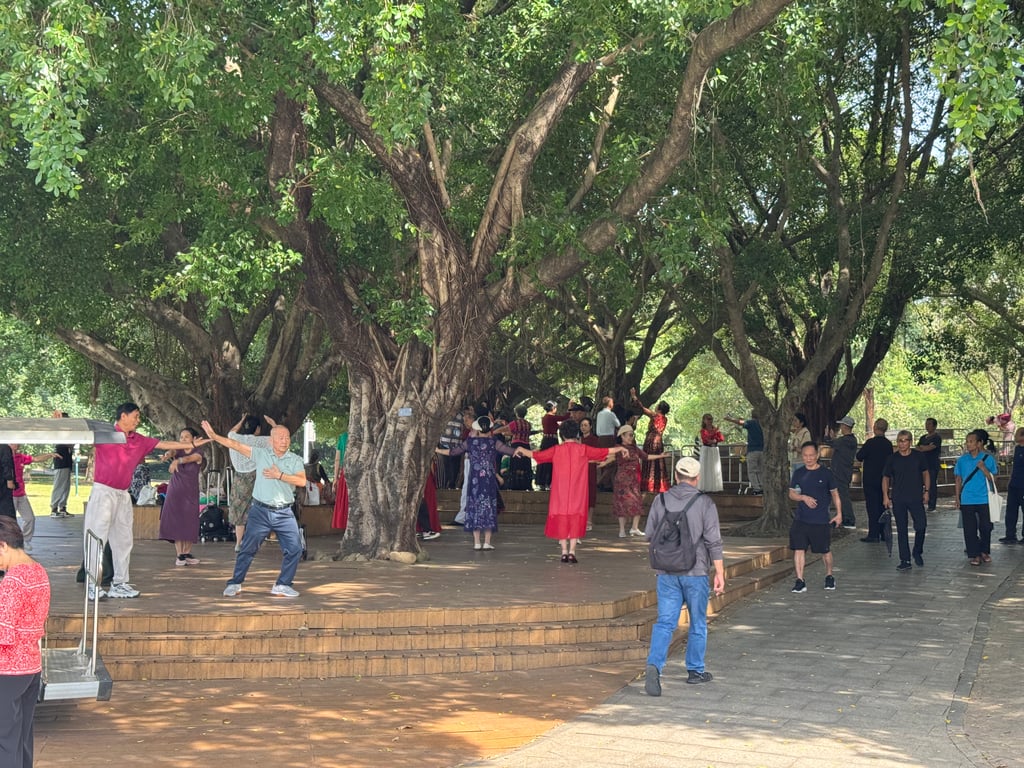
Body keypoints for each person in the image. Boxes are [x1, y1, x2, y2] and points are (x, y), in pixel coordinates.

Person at [85, 402, 205, 599]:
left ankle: (120, 583)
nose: (138, 420)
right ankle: (93, 585)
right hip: (103, 492)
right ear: (123, 416)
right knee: (97, 537)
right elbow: (79, 436)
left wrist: (191, 445)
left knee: (124, 540)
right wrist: (61, 423)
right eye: (136, 416)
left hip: (123, 494)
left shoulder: (138, 439)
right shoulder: (105, 433)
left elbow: (165, 444)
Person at [643, 456, 725, 695]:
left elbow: (649, 534)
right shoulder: (705, 502)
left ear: (676, 476)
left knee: (665, 622)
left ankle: (654, 665)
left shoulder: (660, 500)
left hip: (666, 571)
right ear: (696, 478)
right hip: (696, 571)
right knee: (697, 621)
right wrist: (719, 573)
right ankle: (695, 671)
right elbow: (714, 541)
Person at [201, 419, 306, 597]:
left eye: (287, 437)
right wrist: (214, 436)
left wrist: (279, 475)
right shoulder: (261, 454)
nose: (284, 440)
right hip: (261, 511)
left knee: (295, 549)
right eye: (280, 437)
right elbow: (235, 444)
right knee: (247, 548)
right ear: (270, 441)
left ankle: (283, 584)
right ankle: (235, 582)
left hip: (284, 512)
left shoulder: (295, 459)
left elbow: (301, 481)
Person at [516, 420, 623, 563]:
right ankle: (572, 551)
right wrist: (621, 448)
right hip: (578, 493)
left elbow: (538, 456)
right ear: (577, 433)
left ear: (562, 434)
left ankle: (564, 551)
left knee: (561, 518)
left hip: (560, 493)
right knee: (575, 519)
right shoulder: (584, 449)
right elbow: (604, 451)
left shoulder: (556, 450)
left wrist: (521, 450)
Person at [0, 515, 50, 768]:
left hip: (7, 670)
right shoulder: (38, 571)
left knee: (4, 742)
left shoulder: (12, 581)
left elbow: (3, 634)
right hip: (31, 667)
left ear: (3, 545)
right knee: (22, 739)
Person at [436, 416, 515, 551]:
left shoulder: (470, 442)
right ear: (490, 429)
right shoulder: (494, 442)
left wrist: (437, 450)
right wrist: (525, 453)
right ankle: (487, 542)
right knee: (488, 508)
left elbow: (453, 451)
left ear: (477, 429)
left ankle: (477, 542)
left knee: (475, 507)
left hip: (475, 481)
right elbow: (510, 451)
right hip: (489, 481)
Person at [789, 442, 841, 593]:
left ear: (817, 455)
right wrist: (803, 497)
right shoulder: (798, 473)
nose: (808, 458)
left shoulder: (826, 473)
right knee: (799, 549)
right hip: (801, 518)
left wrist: (839, 514)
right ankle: (800, 580)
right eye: (805, 455)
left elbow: (835, 494)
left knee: (825, 550)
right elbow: (792, 493)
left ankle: (829, 575)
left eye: (811, 455)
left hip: (820, 520)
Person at [599, 424, 664, 538]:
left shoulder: (634, 448)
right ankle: (622, 530)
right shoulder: (618, 448)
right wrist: (602, 463)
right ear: (622, 436)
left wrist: (660, 456)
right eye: (629, 435)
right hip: (622, 480)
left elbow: (646, 457)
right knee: (621, 503)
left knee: (637, 502)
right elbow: (610, 458)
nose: (631, 438)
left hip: (633, 480)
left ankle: (634, 528)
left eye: (632, 435)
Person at [158, 427, 205, 567]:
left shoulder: (199, 453)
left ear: (194, 439)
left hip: (190, 491)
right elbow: (172, 451)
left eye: (186, 437)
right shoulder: (177, 450)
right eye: (181, 437)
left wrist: (178, 461)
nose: (183, 439)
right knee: (177, 520)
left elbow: (190, 458)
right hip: (175, 490)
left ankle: (186, 553)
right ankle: (180, 555)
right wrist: (168, 454)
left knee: (190, 521)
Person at [882, 430, 930, 570]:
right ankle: (905, 559)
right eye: (899, 441)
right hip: (899, 497)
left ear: (910, 441)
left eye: (905, 440)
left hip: (915, 496)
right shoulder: (892, 458)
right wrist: (886, 495)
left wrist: (927, 491)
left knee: (921, 525)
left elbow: (926, 473)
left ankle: (917, 551)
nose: (902, 443)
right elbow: (886, 477)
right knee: (901, 529)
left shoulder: (918, 457)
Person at [227, 414, 273, 550]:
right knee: (257, 508)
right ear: (257, 429)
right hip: (255, 477)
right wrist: (273, 423)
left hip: (238, 478)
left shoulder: (234, 438)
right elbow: (279, 437)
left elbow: (231, 431)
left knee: (239, 510)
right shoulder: (261, 441)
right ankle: (254, 540)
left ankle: (238, 543)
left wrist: (240, 420)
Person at [955, 429, 998, 566]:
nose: (969, 444)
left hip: (984, 498)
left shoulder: (987, 458)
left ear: (979, 443)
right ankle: (974, 554)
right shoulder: (962, 460)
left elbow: (994, 479)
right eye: (967, 442)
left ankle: (984, 550)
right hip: (967, 498)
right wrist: (957, 497)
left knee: (986, 526)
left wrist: (984, 468)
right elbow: (958, 479)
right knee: (969, 528)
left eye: (971, 441)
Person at [9, 447, 54, 554]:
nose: (17, 445)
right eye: (13, 443)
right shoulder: (5, 457)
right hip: (9, 495)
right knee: (10, 522)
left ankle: (25, 541)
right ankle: (10, 545)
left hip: (21, 494)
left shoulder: (20, 457)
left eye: (17, 443)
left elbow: (36, 459)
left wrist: (50, 455)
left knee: (30, 518)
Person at [856, 419, 893, 543]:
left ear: (875, 427)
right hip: (884, 478)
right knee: (883, 504)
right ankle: (883, 532)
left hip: (870, 479)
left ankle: (873, 534)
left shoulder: (870, 443)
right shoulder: (888, 444)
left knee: (872, 506)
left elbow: (859, 456)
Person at [632, 388, 671, 494]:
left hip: (651, 441)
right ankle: (659, 484)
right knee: (658, 462)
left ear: (659, 408)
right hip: (659, 442)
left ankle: (648, 484)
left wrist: (634, 396)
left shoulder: (655, 416)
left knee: (649, 459)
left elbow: (642, 408)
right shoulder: (664, 419)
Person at [824, 416, 858, 528]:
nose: (841, 428)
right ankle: (843, 516)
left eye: (842, 425)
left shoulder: (845, 440)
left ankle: (849, 518)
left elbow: (830, 443)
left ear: (845, 426)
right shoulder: (851, 440)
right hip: (844, 471)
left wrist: (827, 435)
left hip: (840, 472)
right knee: (842, 494)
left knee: (843, 495)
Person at [725, 412, 764, 494]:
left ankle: (757, 488)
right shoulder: (763, 424)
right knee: (761, 470)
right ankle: (762, 486)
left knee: (752, 471)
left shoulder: (751, 423)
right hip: (762, 450)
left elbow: (741, 422)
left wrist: (730, 419)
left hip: (753, 449)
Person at [999, 427, 1024, 544]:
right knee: (1011, 510)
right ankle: (1010, 534)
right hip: (1014, 484)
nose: (1015, 436)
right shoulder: (1018, 448)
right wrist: (1010, 480)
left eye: (1018, 434)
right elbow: (1015, 467)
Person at [50, 410, 73, 518]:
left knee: (66, 485)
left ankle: (62, 507)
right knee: (59, 484)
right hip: (61, 459)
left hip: (67, 459)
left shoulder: (68, 432)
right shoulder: (58, 433)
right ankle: (54, 508)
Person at [505, 406, 534, 491]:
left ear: (516, 413)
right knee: (524, 465)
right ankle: (526, 484)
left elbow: (506, 428)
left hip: (516, 445)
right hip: (526, 445)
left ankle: (515, 485)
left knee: (516, 464)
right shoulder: (528, 424)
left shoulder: (515, 423)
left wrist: (495, 431)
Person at [916, 418, 942, 511]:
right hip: (922, 464)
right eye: (926, 424)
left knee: (931, 484)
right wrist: (923, 447)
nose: (927, 426)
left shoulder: (937, 438)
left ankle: (932, 505)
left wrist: (924, 447)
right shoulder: (923, 437)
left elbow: (929, 448)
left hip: (932, 464)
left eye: (929, 424)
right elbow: (918, 447)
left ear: (934, 426)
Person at [595, 397, 620, 491]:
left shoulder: (599, 414)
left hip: (600, 438)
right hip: (609, 438)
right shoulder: (611, 414)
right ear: (610, 404)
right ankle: (600, 482)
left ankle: (607, 484)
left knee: (604, 460)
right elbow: (618, 424)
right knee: (612, 462)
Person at [436, 413, 465, 490]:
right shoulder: (444, 413)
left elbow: (463, 428)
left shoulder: (461, 415)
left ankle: (452, 484)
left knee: (455, 466)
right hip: (444, 444)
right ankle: (446, 484)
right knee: (446, 466)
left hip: (457, 445)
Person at [698, 414, 724, 493]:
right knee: (705, 467)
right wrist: (714, 434)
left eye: (711, 419)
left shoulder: (716, 429)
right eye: (708, 419)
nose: (710, 421)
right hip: (706, 449)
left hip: (714, 449)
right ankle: (704, 487)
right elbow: (705, 439)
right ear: (704, 420)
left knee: (715, 468)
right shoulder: (703, 430)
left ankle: (714, 487)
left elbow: (721, 438)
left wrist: (715, 440)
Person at [332, 431, 349, 530]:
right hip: (359, 472)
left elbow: (337, 459)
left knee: (345, 502)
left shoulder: (343, 437)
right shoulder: (364, 433)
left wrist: (335, 478)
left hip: (345, 472)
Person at [0, 445, 14, 520]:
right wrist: (10, 480)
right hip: (3, 485)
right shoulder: (4, 448)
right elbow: (7, 464)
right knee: (6, 514)